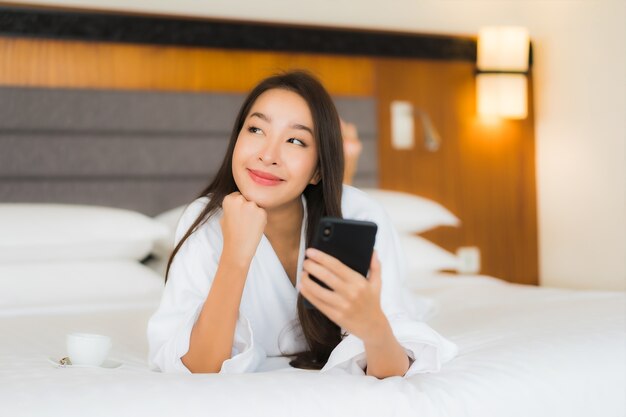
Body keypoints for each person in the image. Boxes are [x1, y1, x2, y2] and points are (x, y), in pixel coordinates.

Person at [147, 70, 457, 378]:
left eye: (295, 140)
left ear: (317, 171)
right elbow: (200, 369)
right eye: (256, 130)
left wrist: (373, 324)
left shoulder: (362, 215)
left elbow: (392, 373)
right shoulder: (204, 222)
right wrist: (235, 257)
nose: (268, 155)